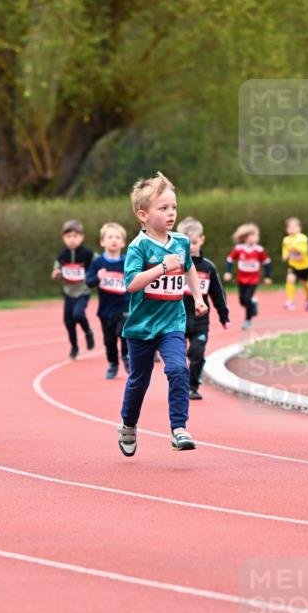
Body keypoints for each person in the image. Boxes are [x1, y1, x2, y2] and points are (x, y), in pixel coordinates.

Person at [117, 172, 207, 457]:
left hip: (172, 322)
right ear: (143, 215)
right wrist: (161, 269)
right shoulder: (138, 246)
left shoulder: (180, 242)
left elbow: (189, 267)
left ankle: (179, 428)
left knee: (177, 369)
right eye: (163, 208)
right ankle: (129, 425)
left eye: (174, 207)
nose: (171, 213)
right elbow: (131, 283)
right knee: (138, 381)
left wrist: (198, 296)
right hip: (142, 326)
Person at [176, 217, 230, 400]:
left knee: (197, 354)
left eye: (194, 242)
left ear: (202, 240)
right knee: (177, 358)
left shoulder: (208, 268)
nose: (190, 246)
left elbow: (218, 294)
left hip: (200, 320)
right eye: (186, 242)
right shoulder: (175, 265)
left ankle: (193, 387)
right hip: (177, 318)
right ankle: (178, 386)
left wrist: (224, 316)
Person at [85, 223, 129, 379]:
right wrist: (97, 277)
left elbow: (137, 280)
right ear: (102, 241)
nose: (114, 240)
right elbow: (88, 282)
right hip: (105, 310)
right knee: (109, 341)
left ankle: (126, 356)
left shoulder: (127, 262)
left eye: (118, 237)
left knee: (124, 332)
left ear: (123, 242)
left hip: (124, 306)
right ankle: (113, 364)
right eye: (110, 237)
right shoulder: (98, 263)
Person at [51, 219, 95, 359]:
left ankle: (88, 332)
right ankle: (74, 347)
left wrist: (94, 274)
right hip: (69, 293)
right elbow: (56, 269)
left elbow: (99, 263)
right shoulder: (62, 255)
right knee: (68, 322)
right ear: (63, 238)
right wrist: (56, 273)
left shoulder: (88, 254)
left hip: (83, 291)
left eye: (75, 236)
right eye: (68, 237)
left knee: (78, 314)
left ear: (81, 237)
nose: (72, 240)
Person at [223, 223, 272, 330]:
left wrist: (268, 277)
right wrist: (228, 272)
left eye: (257, 236)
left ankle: (248, 320)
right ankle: (253, 304)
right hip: (241, 279)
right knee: (242, 301)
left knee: (247, 298)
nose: (256, 238)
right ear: (245, 237)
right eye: (253, 235)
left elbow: (267, 262)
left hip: (253, 280)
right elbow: (229, 260)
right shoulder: (239, 249)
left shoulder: (259, 250)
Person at [281, 216, 308, 311]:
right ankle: (290, 301)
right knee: (290, 279)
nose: (291, 230)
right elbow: (285, 249)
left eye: (294, 227)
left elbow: (304, 250)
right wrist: (285, 255)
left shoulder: (302, 238)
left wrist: (294, 246)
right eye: (289, 228)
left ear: (299, 228)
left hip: (304, 266)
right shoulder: (286, 239)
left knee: (305, 283)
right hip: (293, 265)